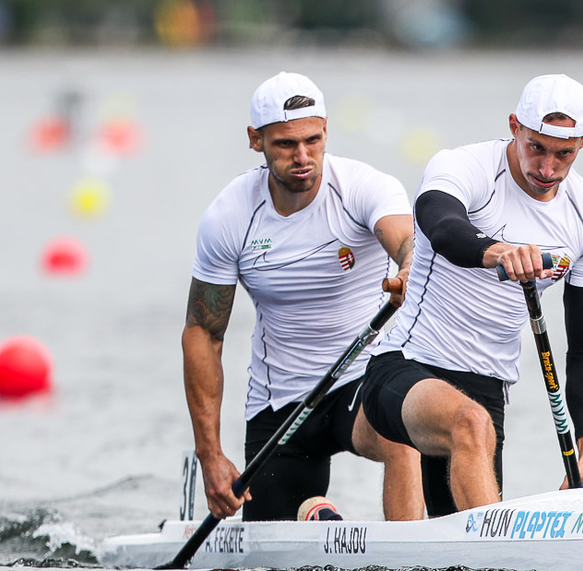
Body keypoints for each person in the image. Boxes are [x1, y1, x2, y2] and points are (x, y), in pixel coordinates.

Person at [358, 73, 583, 517]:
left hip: (486, 391)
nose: (546, 168)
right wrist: (496, 252)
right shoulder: (467, 168)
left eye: (564, 154)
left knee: (457, 570)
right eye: (536, 146)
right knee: (470, 425)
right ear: (515, 125)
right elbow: (439, 224)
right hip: (406, 366)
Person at [182, 71, 424, 522]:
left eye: (313, 140)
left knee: (400, 432)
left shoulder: (364, 186)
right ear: (255, 140)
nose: (303, 157)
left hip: (360, 379)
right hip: (281, 404)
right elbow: (203, 333)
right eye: (285, 145)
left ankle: (407, 570)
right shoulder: (230, 215)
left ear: (327, 130)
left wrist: (409, 266)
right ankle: (315, 515)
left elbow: (405, 240)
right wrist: (210, 455)